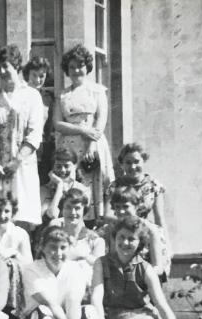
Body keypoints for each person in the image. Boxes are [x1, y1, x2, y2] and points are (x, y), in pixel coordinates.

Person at [90, 216, 202, 319]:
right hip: (113, 318)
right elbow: (96, 297)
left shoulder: (146, 269)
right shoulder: (101, 263)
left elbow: (162, 305)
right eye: (121, 237)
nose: (125, 243)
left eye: (131, 239)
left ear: (140, 243)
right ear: (115, 237)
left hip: (142, 318)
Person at [0, 45, 45, 232]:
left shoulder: (31, 96)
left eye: (5, 66)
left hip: (22, 168)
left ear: (16, 66)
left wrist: (17, 161)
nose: (1, 71)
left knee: (21, 219)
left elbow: (35, 133)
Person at [54, 44, 114, 227]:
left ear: (87, 67)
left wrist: (91, 146)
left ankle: (94, 227)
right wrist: (81, 130)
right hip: (69, 147)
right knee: (71, 187)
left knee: (94, 187)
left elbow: (101, 120)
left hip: (92, 145)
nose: (76, 71)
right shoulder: (63, 95)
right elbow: (57, 123)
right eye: (71, 67)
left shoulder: (97, 91)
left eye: (80, 66)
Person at [105, 143, 170, 249]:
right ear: (122, 164)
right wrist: (130, 223)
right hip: (120, 233)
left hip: (144, 232)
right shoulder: (115, 186)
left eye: (136, 161)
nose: (133, 167)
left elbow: (159, 218)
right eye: (128, 162)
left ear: (143, 160)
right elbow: (108, 215)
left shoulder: (154, 185)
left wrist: (166, 246)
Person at [107, 186, 170, 280]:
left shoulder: (151, 230)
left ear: (136, 206)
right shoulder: (112, 229)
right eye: (117, 207)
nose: (121, 211)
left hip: (145, 280)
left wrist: (138, 276)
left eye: (125, 206)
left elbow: (159, 267)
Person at [42, 188, 106, 268]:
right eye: (68, 207)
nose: (73, 212)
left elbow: (100, 268)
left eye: (77, 208)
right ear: (62, 209)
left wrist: (83, 257)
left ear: (84, 210)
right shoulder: (53, 236)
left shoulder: (95, 241)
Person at [22, 56, 56, 187]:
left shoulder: (48, 97)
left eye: (41, 76)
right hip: (24, 145)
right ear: (27, 75)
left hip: (42, 148)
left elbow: (49, 126)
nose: (37, 80)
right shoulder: (21, 95)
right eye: (34, 75)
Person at [39, 149, 89, 224]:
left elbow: (80, 220)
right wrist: (59, 186)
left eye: (66, 166)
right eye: (58, 166)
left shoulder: (83, 190)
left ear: (75, 166)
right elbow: (52, 214)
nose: (63, 170)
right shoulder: (43, 191)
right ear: (52, 168)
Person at [0, 191, 33, 265]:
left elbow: (29, 265)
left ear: (12, 214)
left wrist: (14, 253)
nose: (2, 216)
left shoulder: (20, 234)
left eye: (7, 211)